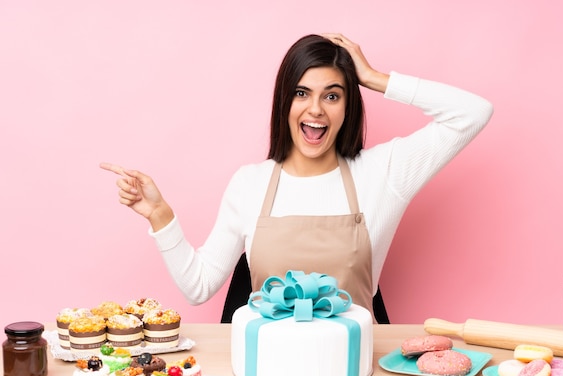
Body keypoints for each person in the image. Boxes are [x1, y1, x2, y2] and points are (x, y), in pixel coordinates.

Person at [100, 33, 493, 320]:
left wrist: (375, 78)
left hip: (354, 374)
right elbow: (197, 287)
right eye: (302, 93)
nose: (316, 110)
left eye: (332, 95)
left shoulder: (383, 173)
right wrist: (160, 216)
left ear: (348, 105)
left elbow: (473, 113)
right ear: (284, 101)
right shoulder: (250, 183)